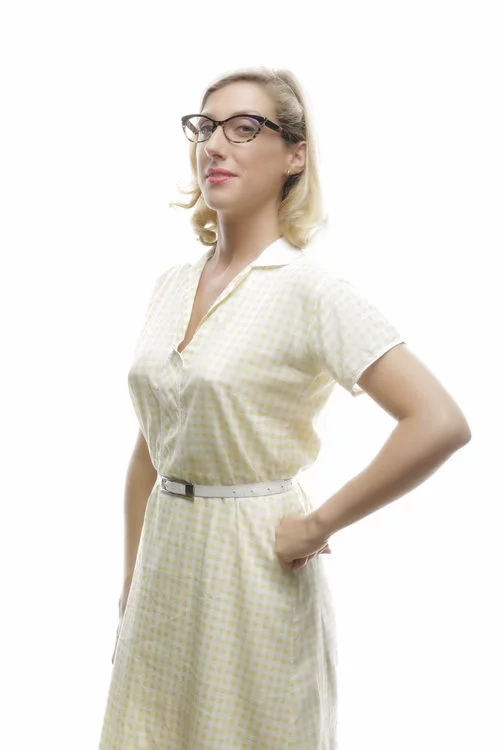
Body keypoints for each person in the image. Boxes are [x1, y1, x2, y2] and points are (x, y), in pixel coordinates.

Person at [98, 67, 471, 750]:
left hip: (252, 564)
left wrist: (317, 524)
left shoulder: (310, 291)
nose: (215, 145)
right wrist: (130, 582)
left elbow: (438, 422)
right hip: (162, 568)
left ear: (294, 155)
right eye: (205, 127)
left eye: (244, 128)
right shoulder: (170, 286)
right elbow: (151, 446)